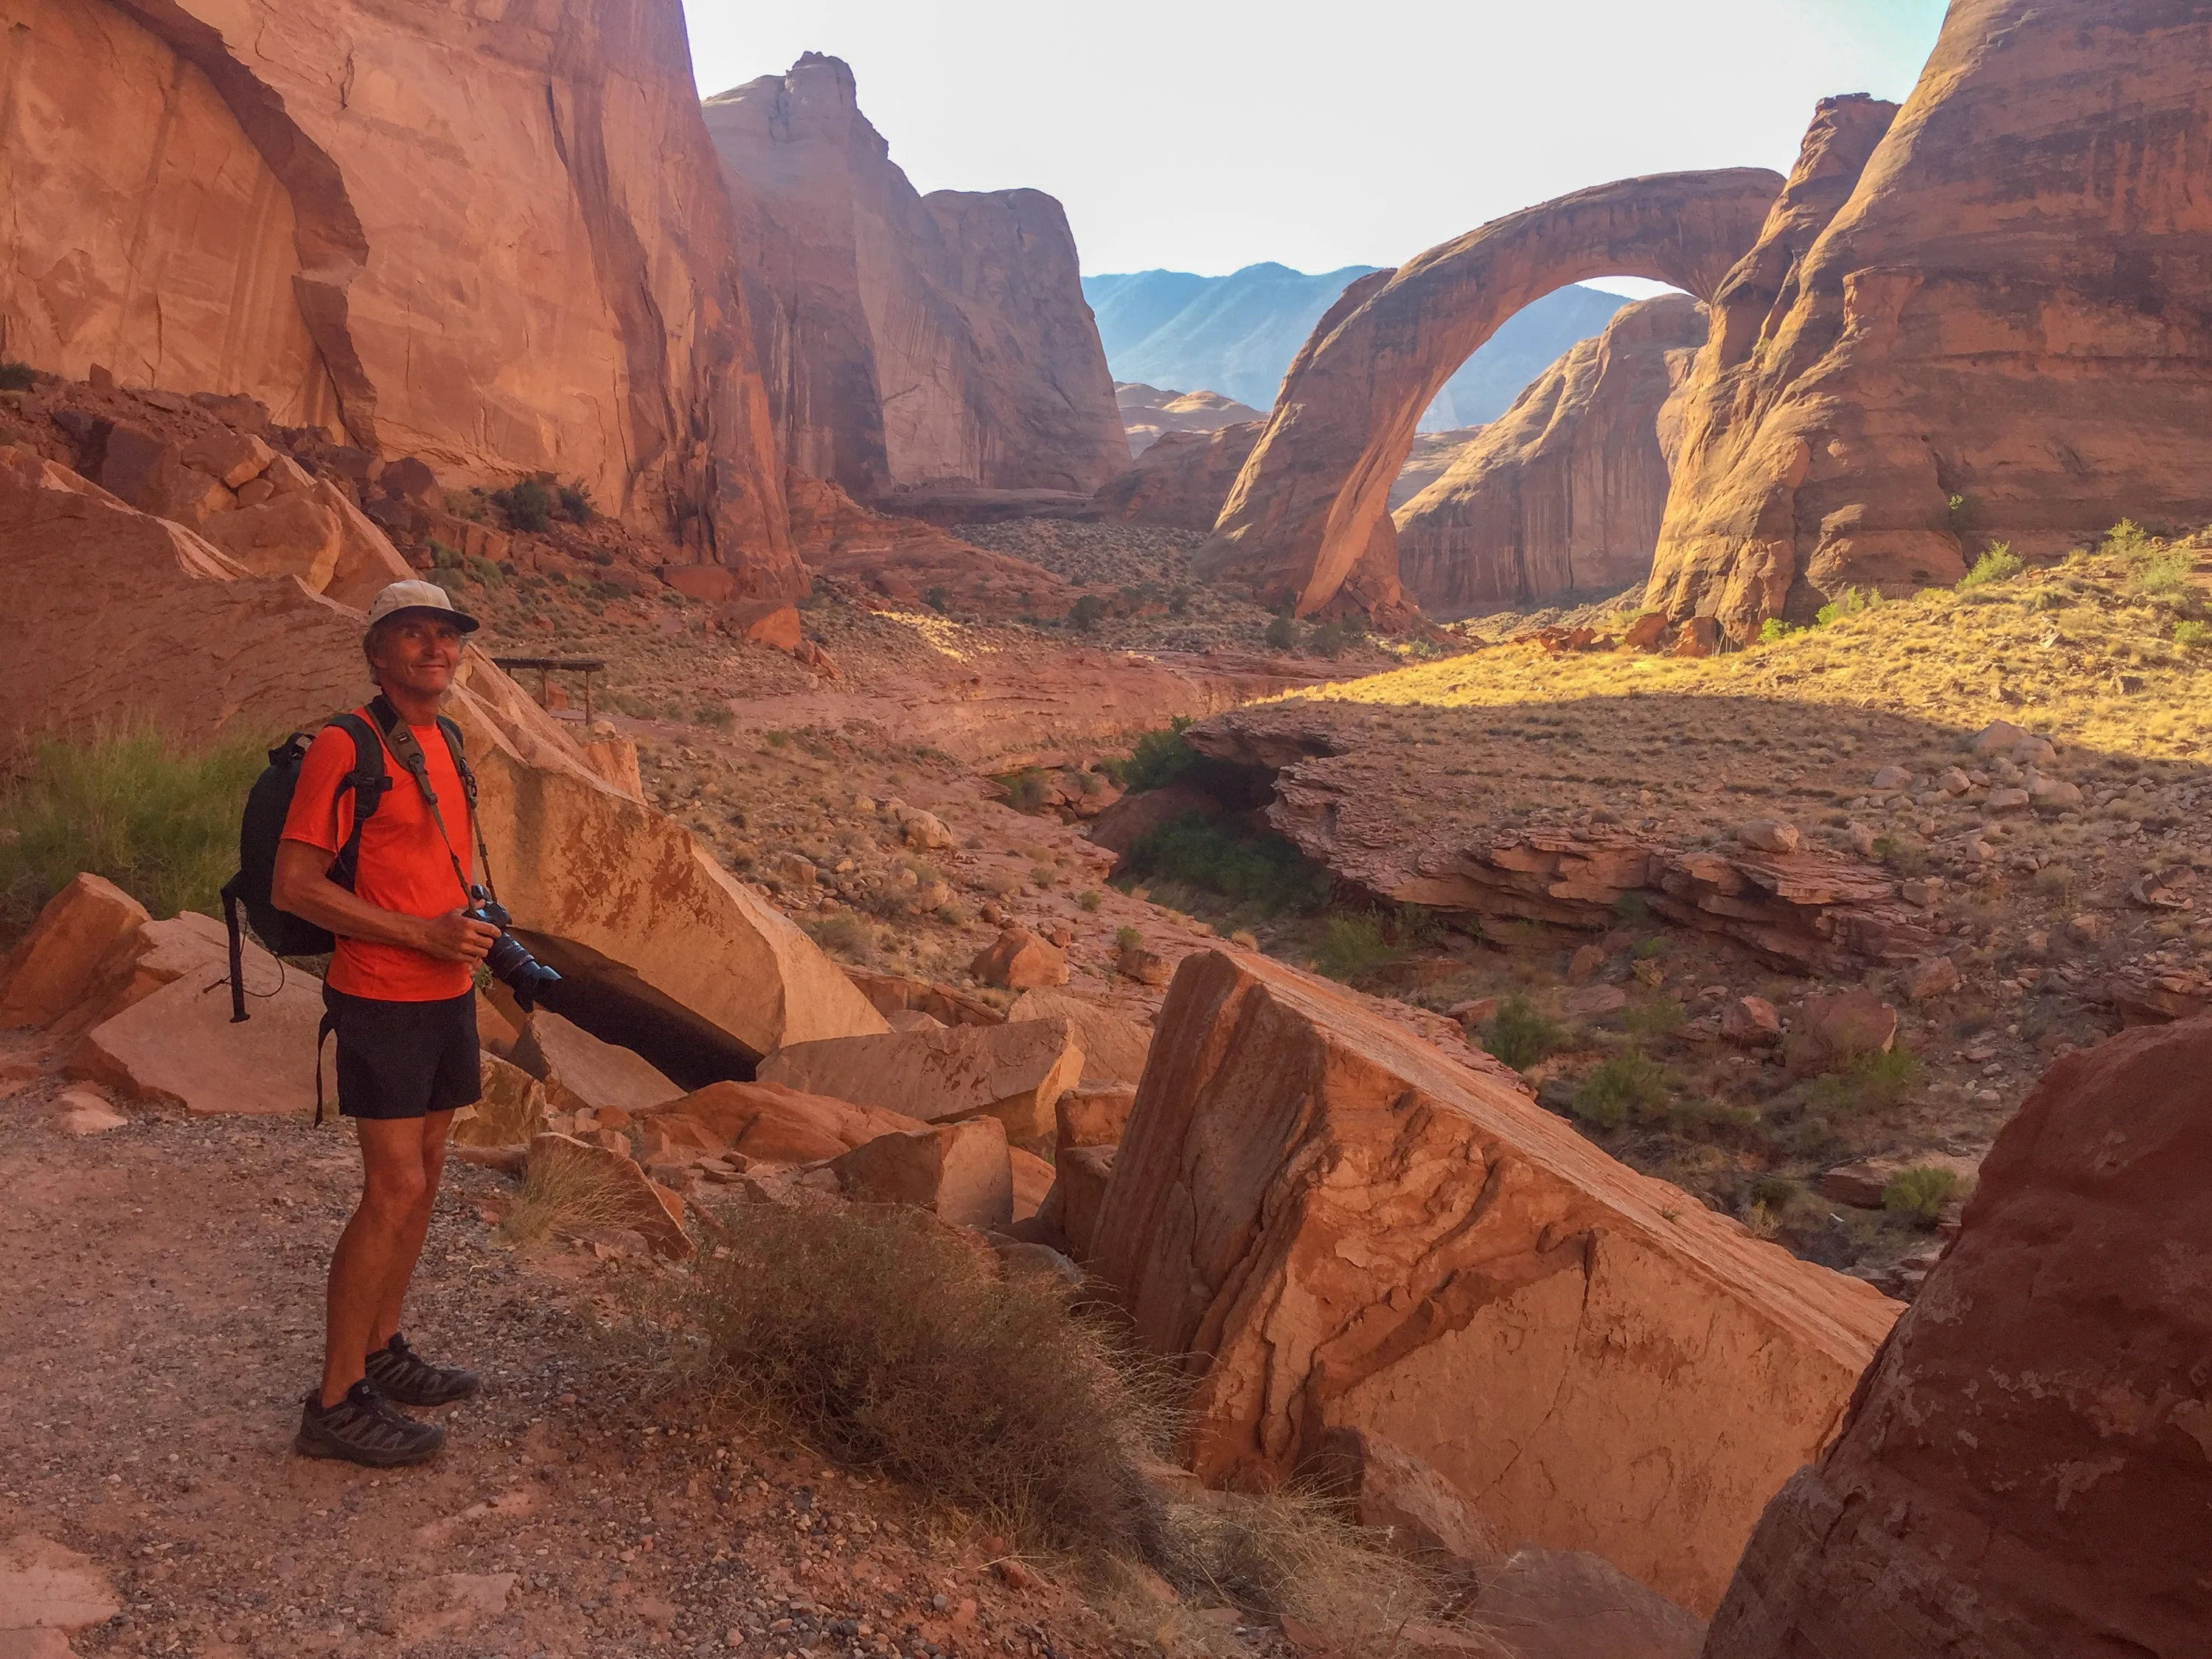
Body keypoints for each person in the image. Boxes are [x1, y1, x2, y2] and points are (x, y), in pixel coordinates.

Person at [273, 580, 500, 1467]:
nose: (435, 649)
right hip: (381, 995)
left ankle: (382, 1349)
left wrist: (470, 925)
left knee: (430, 1168)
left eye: (445, 635)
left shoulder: (444, 741)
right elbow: (296, 885)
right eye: (414, 634)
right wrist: (420, 933)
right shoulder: (346, 744)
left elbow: (430, 859)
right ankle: (334, 1401)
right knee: (393, 1189)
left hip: (446, 992)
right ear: (378, 652)